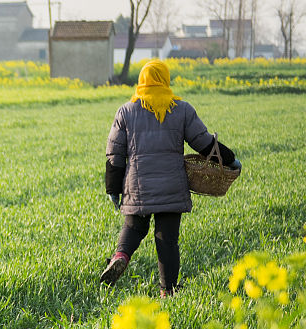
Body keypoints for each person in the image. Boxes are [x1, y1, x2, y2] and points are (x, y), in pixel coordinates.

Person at [99, 59, 238, 296]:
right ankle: (168, 291)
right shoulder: (181, 109)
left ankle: (120, 256)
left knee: (133, 227)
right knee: (167, 239)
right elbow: (203, 143)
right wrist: (229, 159)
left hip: (137, 186)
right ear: (165, 79)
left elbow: (115, 153)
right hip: (172, 186)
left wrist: (113, 188)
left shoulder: (126, 111)